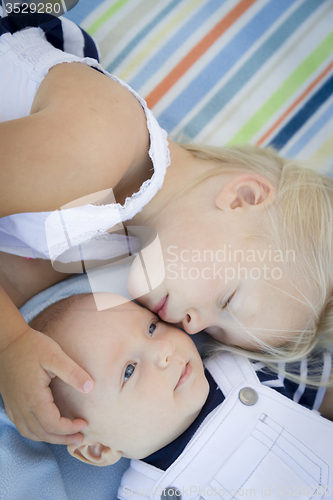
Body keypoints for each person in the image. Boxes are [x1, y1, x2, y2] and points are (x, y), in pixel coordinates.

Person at [0, 4, 332, 446]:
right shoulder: (100, 145)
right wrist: (10, 345)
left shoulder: (119, 247)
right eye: (227, 298)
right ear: (242, 197)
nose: (193, 328)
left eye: (214, 330)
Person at [29, 291, 333, 500]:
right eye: (129, 371)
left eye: (151, 328)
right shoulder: (140, 493)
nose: (164, 349)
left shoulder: (248, 370)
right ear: (98, 450)